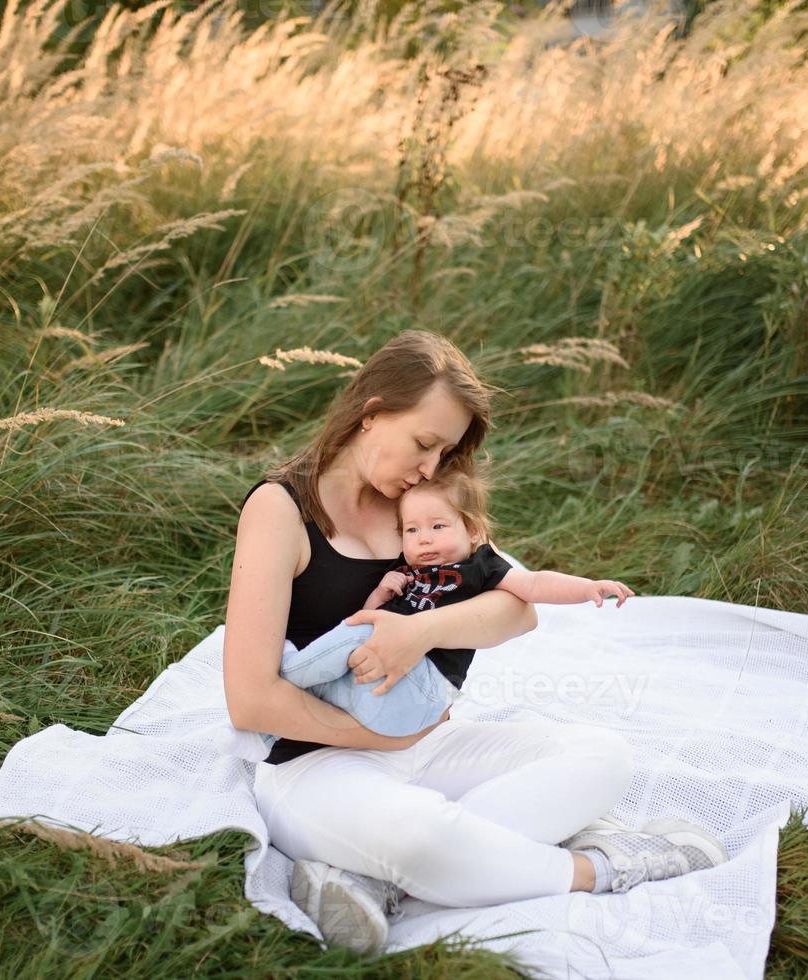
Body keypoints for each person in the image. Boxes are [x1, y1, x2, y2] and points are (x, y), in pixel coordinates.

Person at [222, 330, 729, 955]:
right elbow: (248, 699)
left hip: (433, 744)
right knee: (420, 839)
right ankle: (600, 868)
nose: (431, 468)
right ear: (371, 413)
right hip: (315, 762)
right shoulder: (281, 509)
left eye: (444, 452)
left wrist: (421, 632)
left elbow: (517, 613)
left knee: (603, 755)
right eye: (424, 444)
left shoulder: (418, 504)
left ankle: (367, 877)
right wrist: (385, 737)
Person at [240, 466, 638, 763]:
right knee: (353, 645)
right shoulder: (408, 572)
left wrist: (587, 589)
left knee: (354, 635)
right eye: (411, 531)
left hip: (428, 685)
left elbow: (532, 587)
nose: (424, 538)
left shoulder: (480, 566)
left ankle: (288, 675)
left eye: (437, 526)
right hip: (383, 683)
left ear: (474, 532)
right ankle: (283, 707)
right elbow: (368, 615)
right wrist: (381, 592)